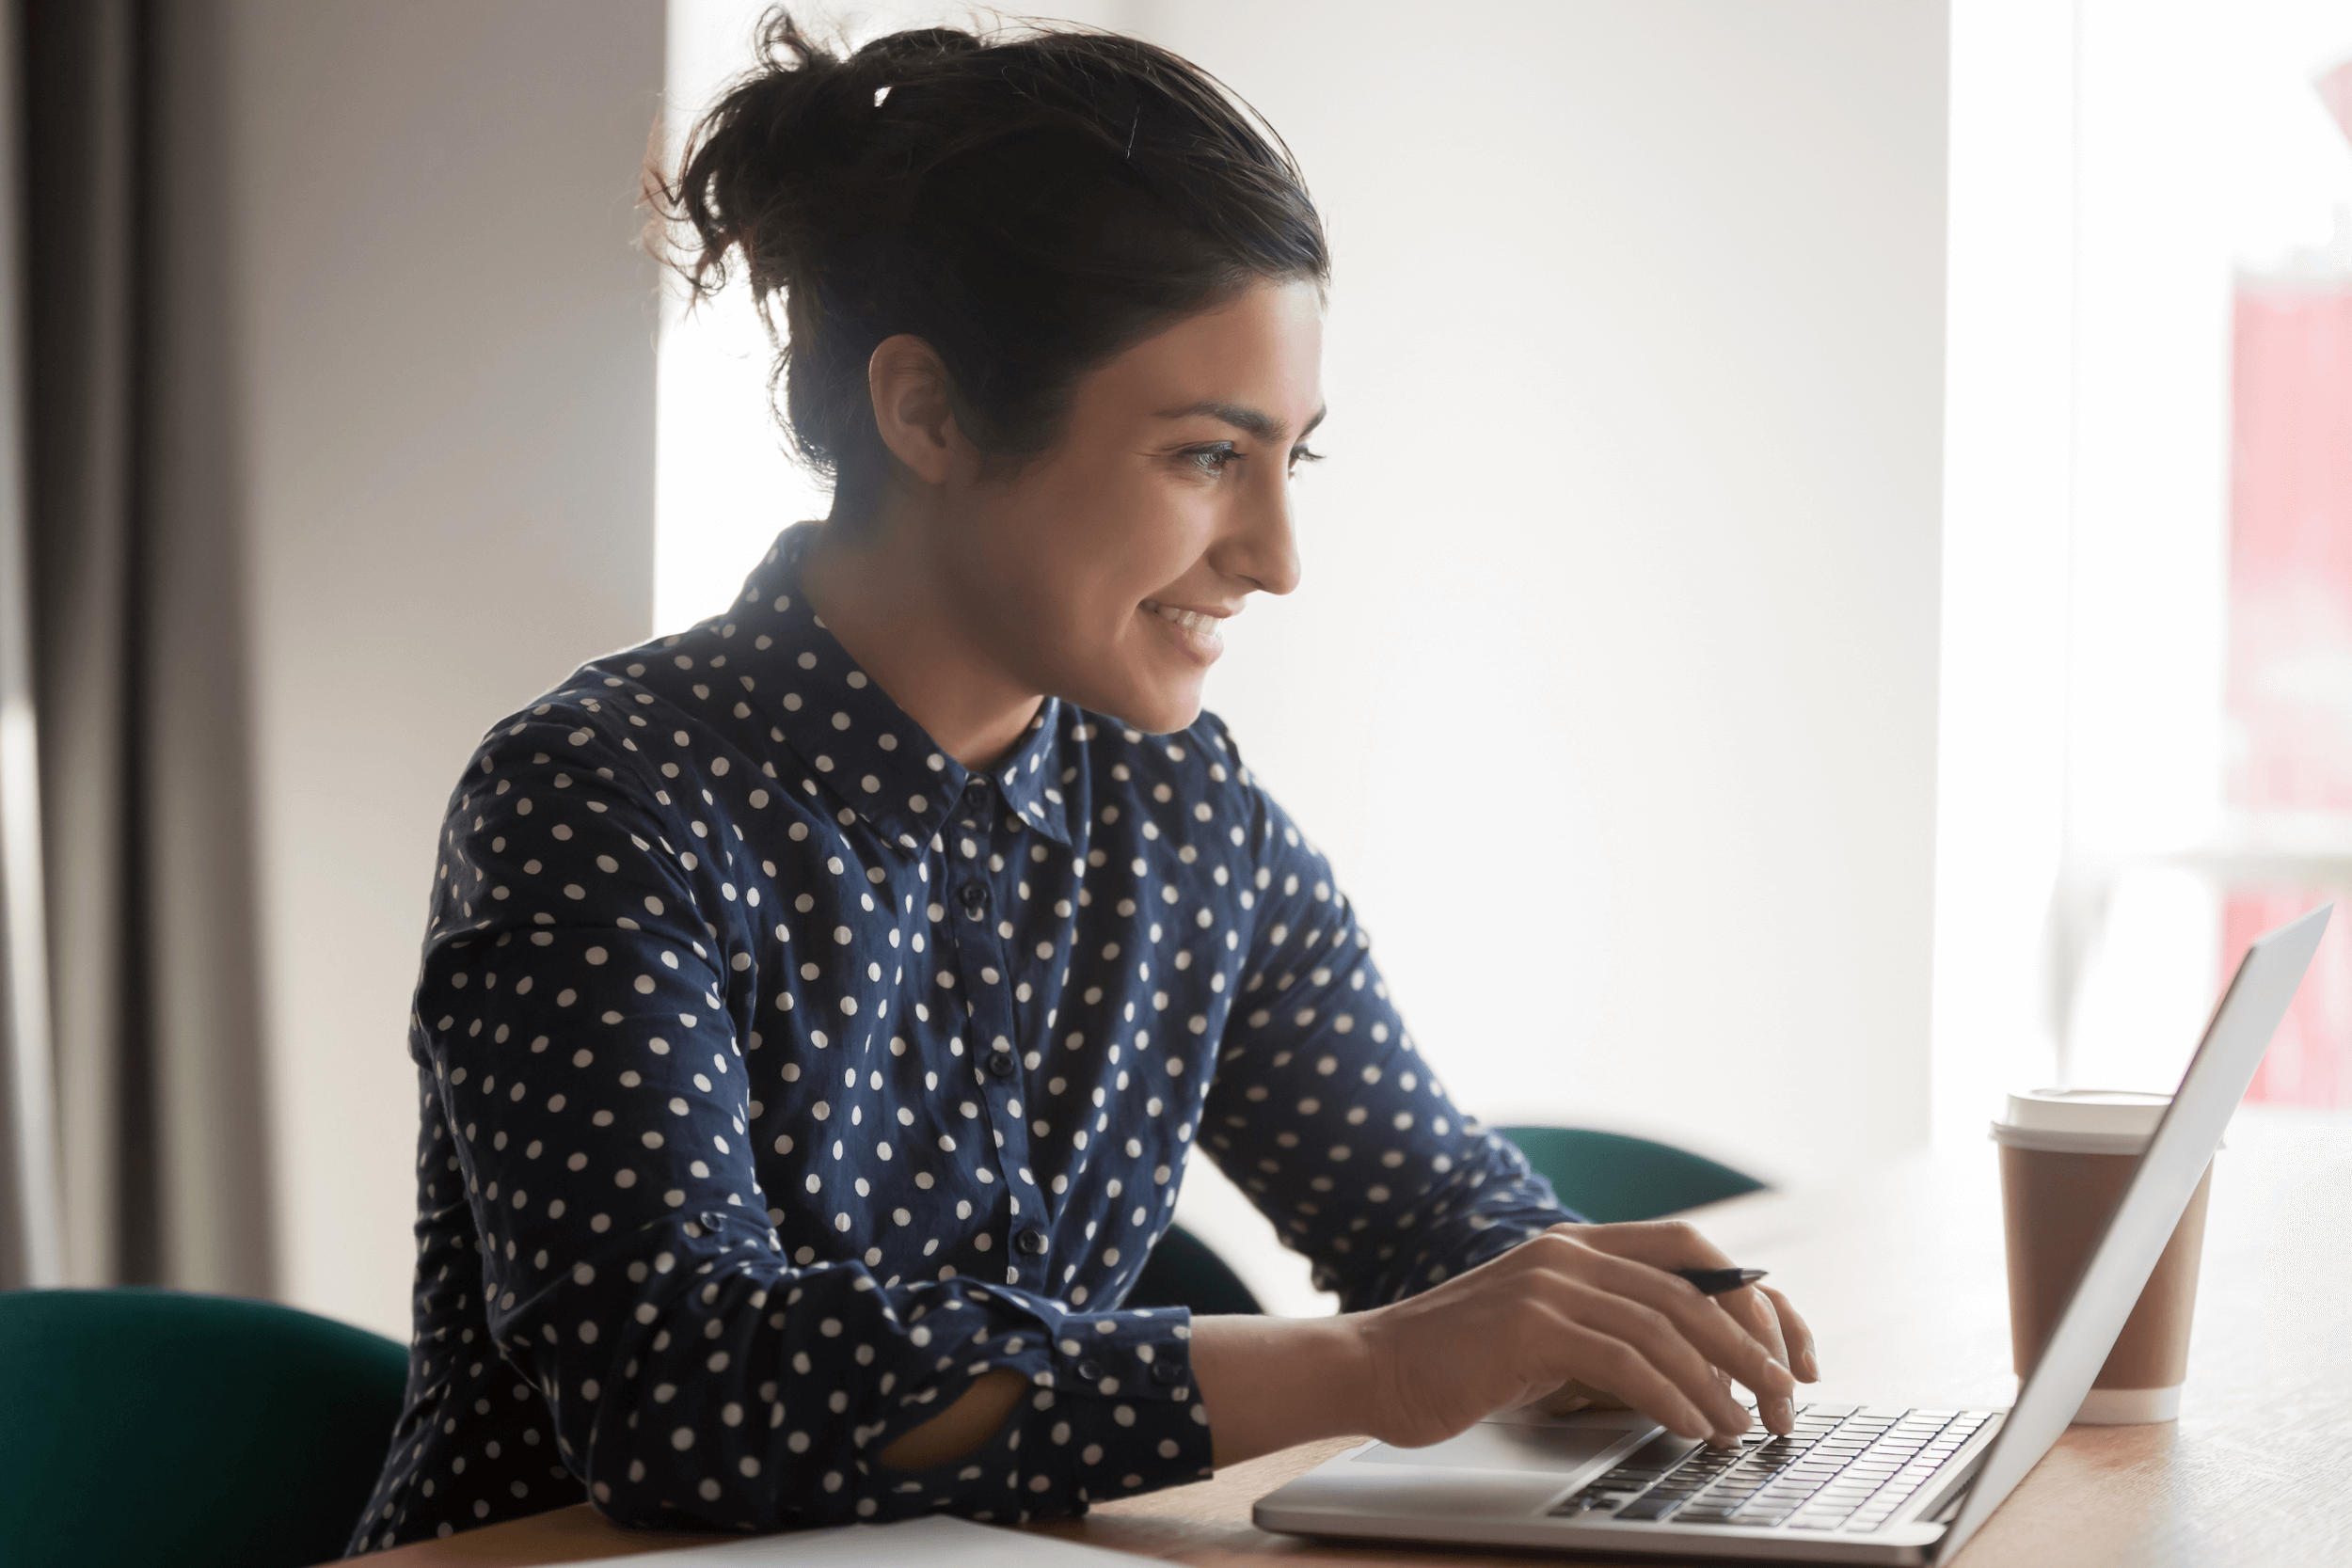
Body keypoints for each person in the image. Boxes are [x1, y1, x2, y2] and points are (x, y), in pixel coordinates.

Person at [347, 10, 1817, 1554]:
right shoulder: (600, 796)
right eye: (1203, 457)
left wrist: (1608, 1304)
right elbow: (684, 1389)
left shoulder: (1180, 809)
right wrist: (1376, 1367)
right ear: (927, 411)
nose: (1275, 559)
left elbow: (1425, 1212)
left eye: (1289, 461)